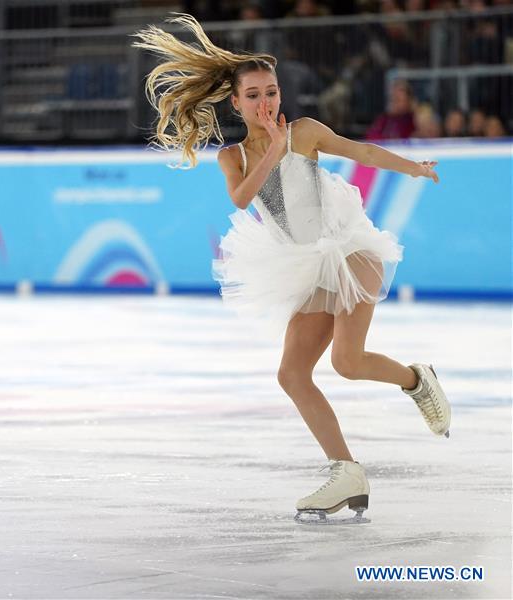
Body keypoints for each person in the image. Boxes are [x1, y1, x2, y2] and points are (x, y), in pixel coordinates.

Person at [134, 14, 450, 524]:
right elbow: (241, 197)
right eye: (254, 95)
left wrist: (414, 167)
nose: (267, 104)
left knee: (347, 362)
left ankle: (416, 380)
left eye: (272, 92)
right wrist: (272, 152)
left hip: (349, 249)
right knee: (292, 373)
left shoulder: (303, 132)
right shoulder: (233, 157)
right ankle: (346, 471)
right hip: (304, 264)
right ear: (235, 103)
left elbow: (361, 150)